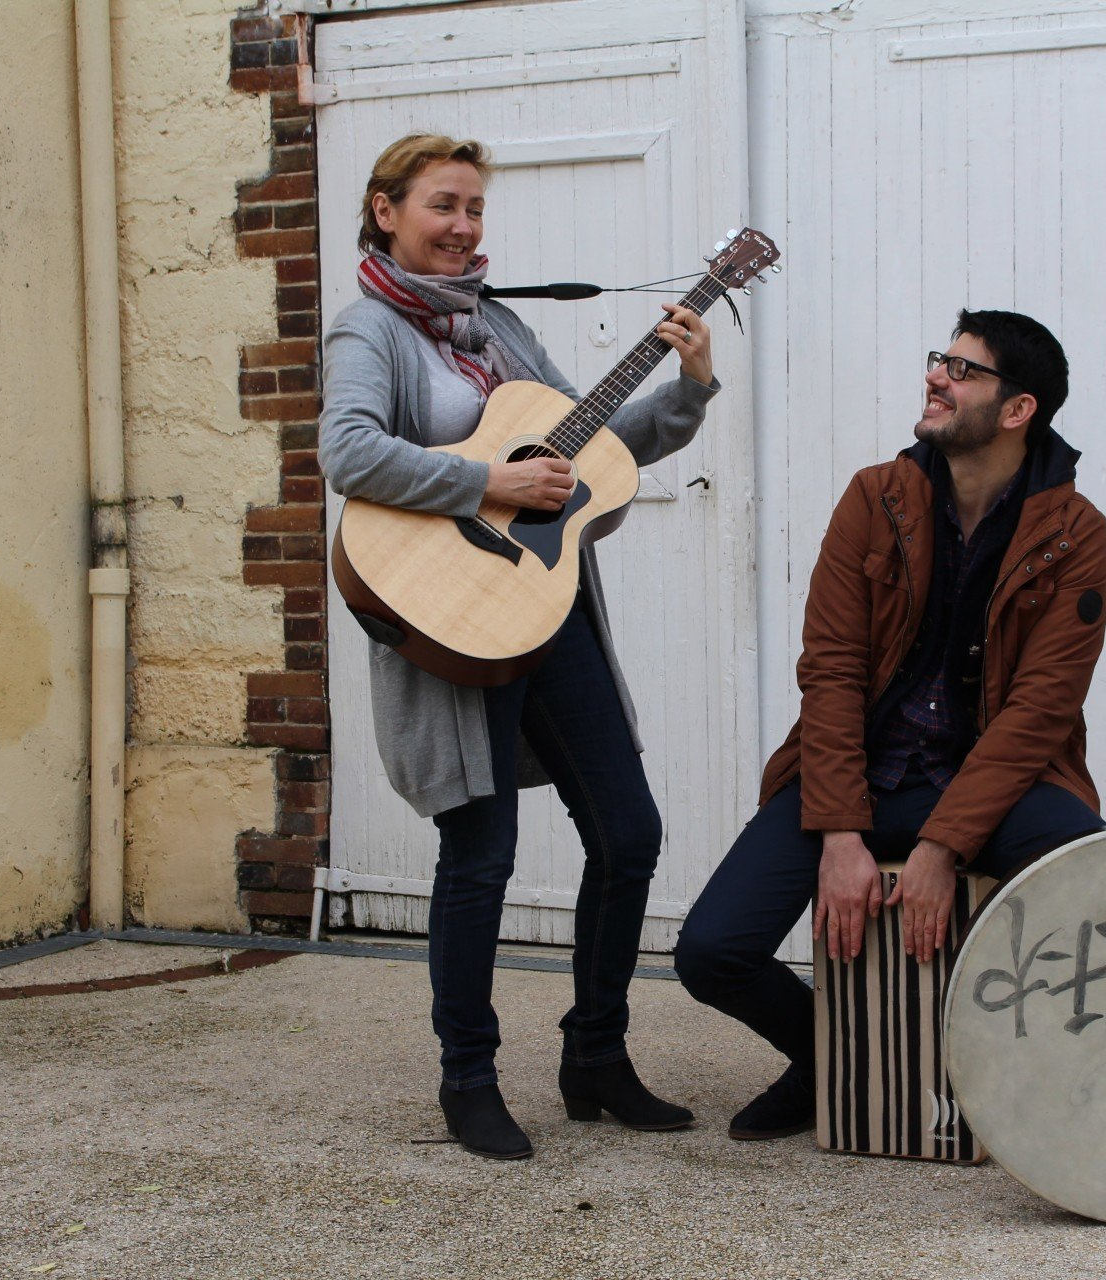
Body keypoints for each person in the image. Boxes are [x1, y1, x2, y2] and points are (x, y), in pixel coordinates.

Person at [318, 133, 718, 1160]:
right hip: (451, 624)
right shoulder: (370, 330)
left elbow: (590, 441)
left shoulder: (497, 327)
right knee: (482, 854)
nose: (463, 227)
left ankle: (596, 1054)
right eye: (443, 205)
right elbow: (349, 450)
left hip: (549, 611)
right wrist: (489, 484)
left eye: (475, 210)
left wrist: (688, 386)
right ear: (385, 210)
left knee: (628, 832)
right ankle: (469, 1077)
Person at [674, 309, 1106, 1140]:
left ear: (1018, 411)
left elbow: (1039, 712)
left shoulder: (1073, 533)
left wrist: (943, 848)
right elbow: (831, 670)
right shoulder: (876, 498)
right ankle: (836, 1059)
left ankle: (1059, 1081)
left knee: (1091, 881)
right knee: (711, 951)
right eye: (937, 358)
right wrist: (839, 830)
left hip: (991, 781)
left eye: (961, 369)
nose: (934, 376)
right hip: (862, 774)